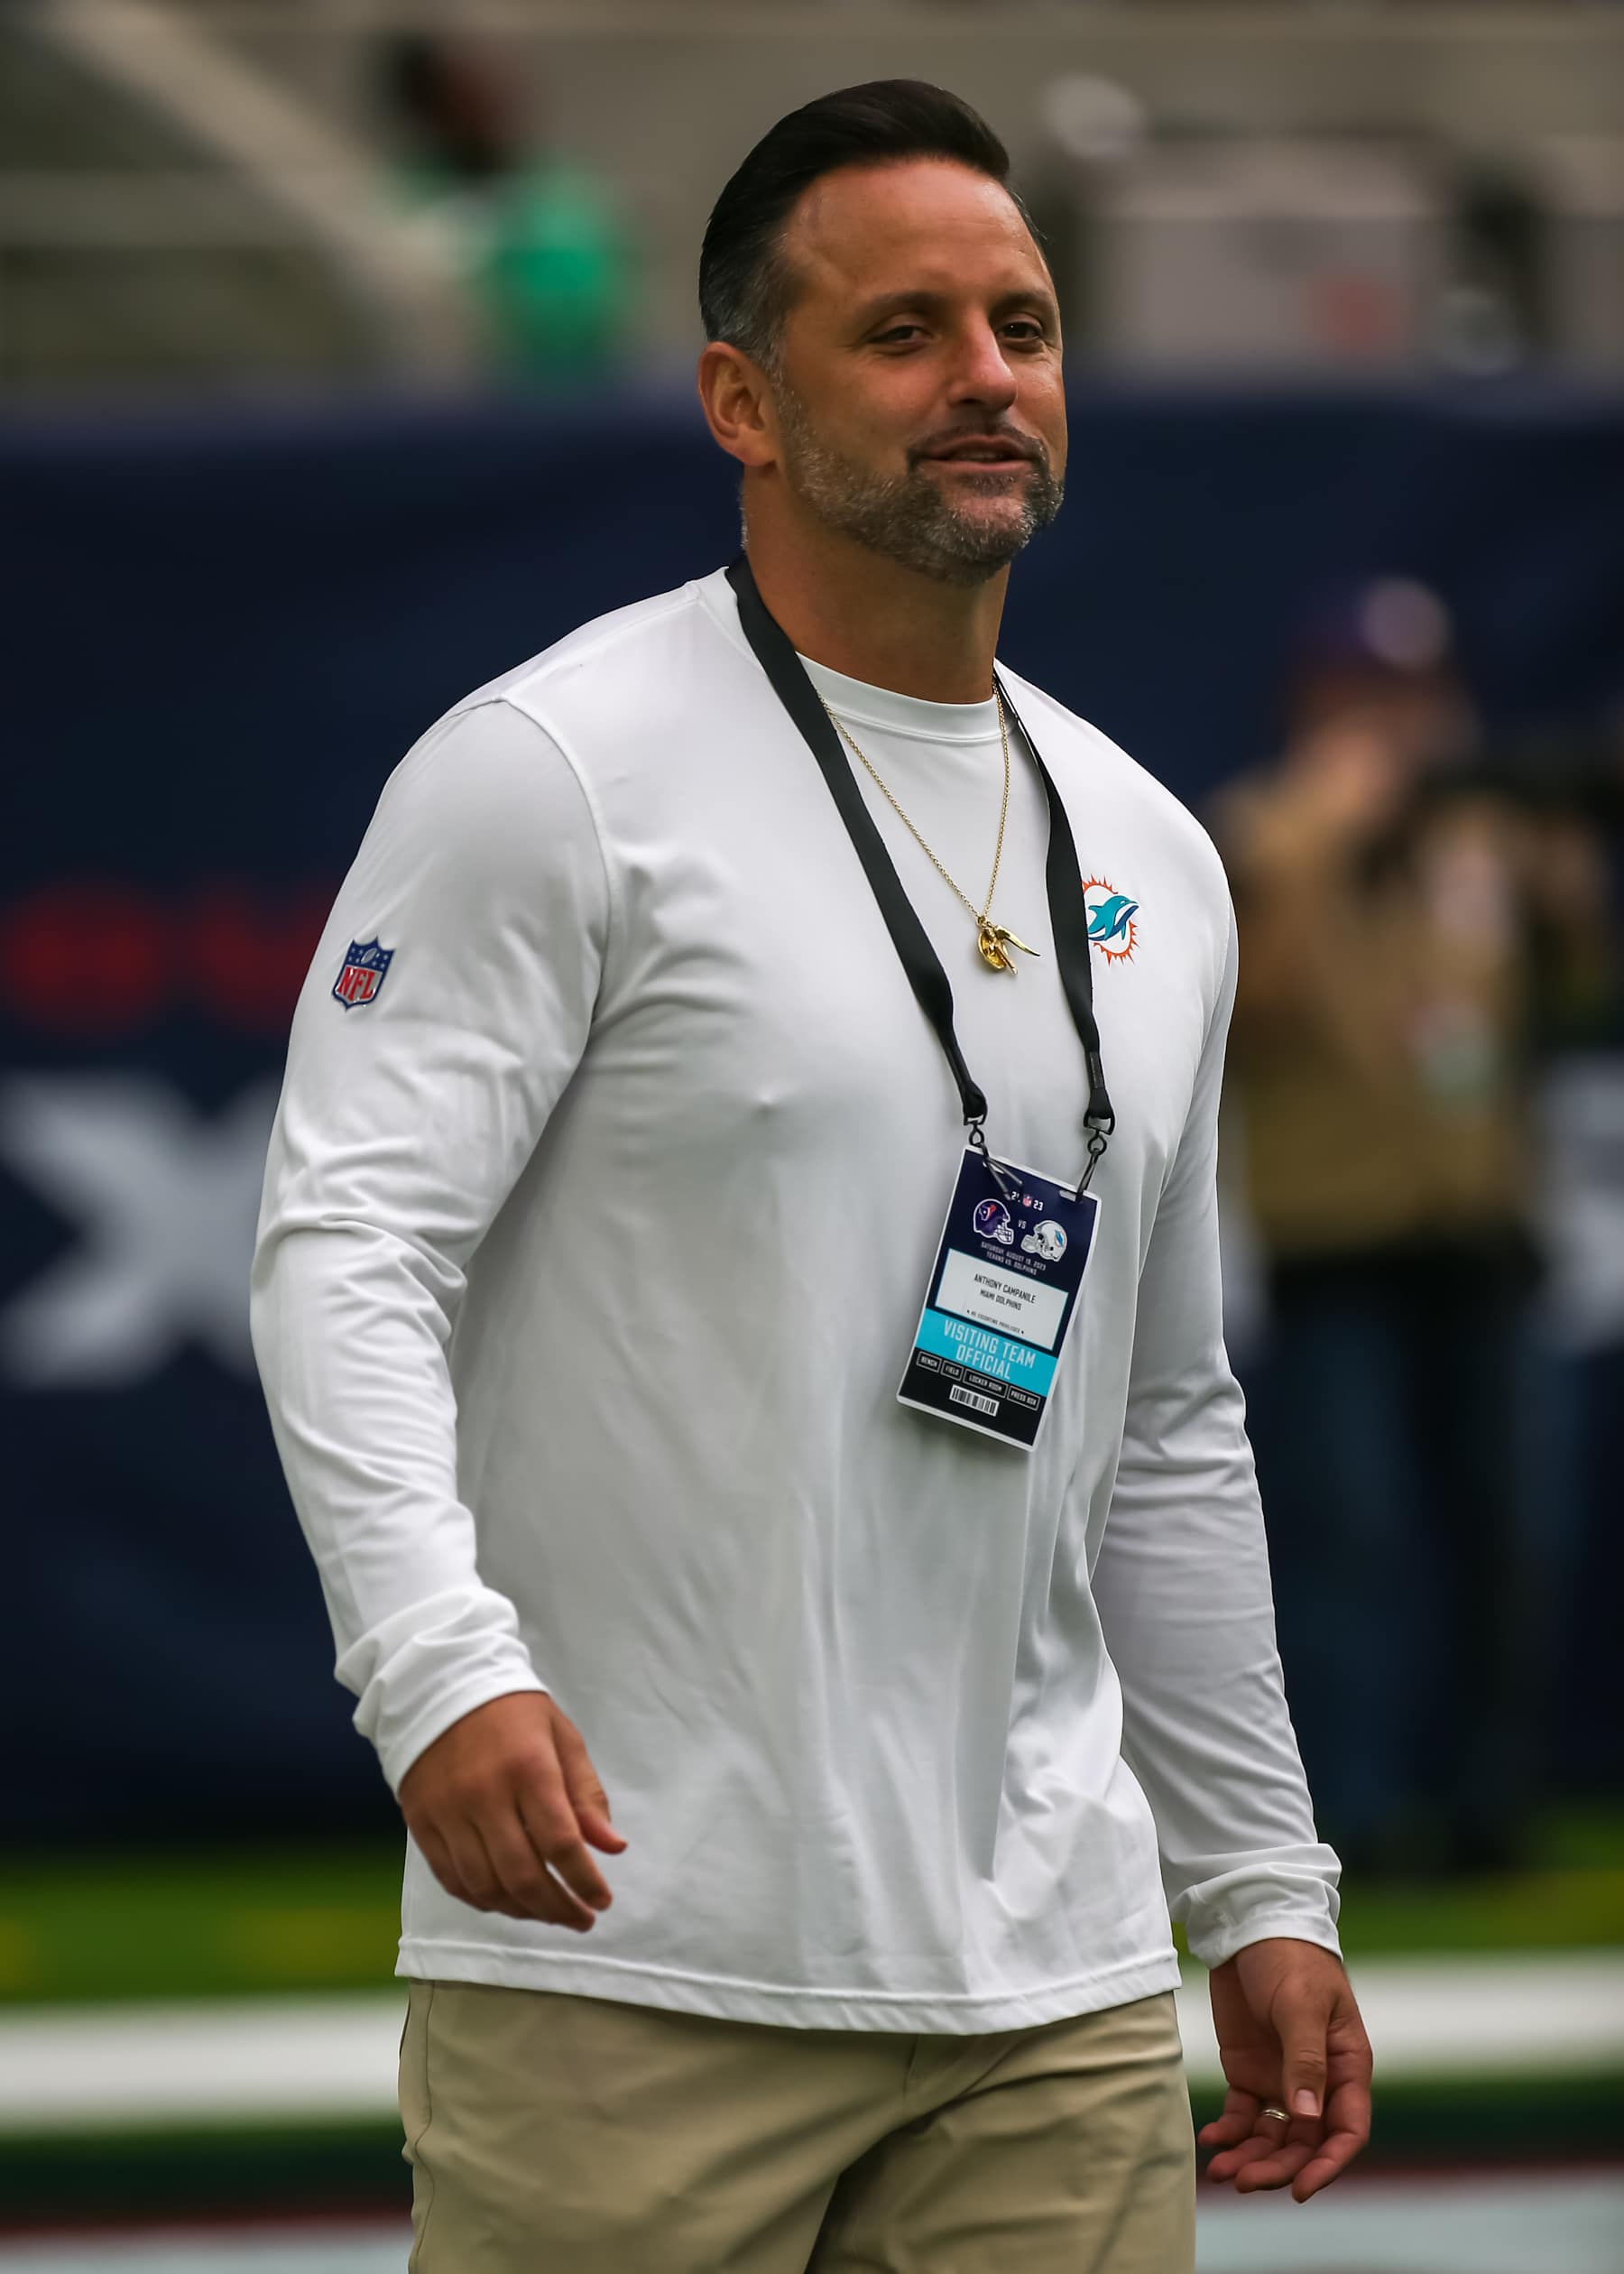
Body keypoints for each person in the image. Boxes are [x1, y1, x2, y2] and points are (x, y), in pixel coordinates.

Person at [252, 80, 1370, 2274]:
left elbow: (1165, 1420)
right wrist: (437, 1667)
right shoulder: (551, 773)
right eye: (906, 331)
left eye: (1024, 326)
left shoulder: (1155, 852)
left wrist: (1255, 1878)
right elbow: (345, 1248)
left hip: (1053, 1991)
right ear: (739, 403)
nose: (988, 378)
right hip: (633, 1948)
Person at [1215, 582, 1610, 1877]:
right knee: (1352, 1535)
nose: (1398, 724)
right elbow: (1245, 1016)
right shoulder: (1261, 833)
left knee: (1513, 1532)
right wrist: (1323, 845)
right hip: (1336, 1248)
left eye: (1418, 696)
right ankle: (1360, 1808)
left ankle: (1494, 1807)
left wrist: (1567, 893)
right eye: (1366, 698)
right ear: (1315, 707)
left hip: (1483, 1237)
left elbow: (1574, 1002)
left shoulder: (1481, 840)